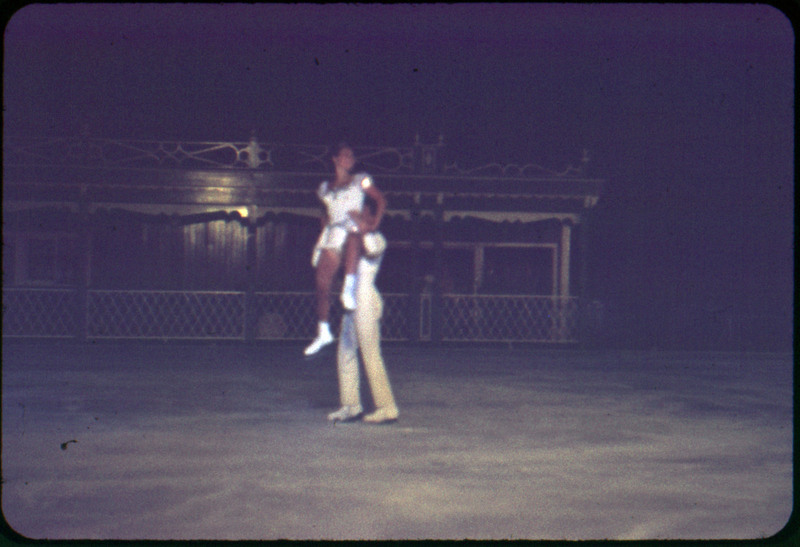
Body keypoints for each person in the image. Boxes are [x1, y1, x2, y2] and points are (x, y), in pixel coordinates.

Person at [304, 143, 386, 356]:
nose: (350, 158)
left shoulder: (361, 179)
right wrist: (325, 231)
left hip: (355, 228)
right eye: (346, 155)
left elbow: (380, 199)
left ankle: (348, 287)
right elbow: (325, 214)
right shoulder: (324, 188)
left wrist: (374, 223)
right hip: (333, 233)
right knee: (321, 285)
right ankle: (323, 331)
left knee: (352, 233)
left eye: (352, 155)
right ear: (335, 159)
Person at [327, 227, 399, 424]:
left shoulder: (377, 237)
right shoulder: (351, 235)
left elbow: (370, 250)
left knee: (370, 352)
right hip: (352, 299)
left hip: (366, 298)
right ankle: (351, 406)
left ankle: (387, 407)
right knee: (345, 351)